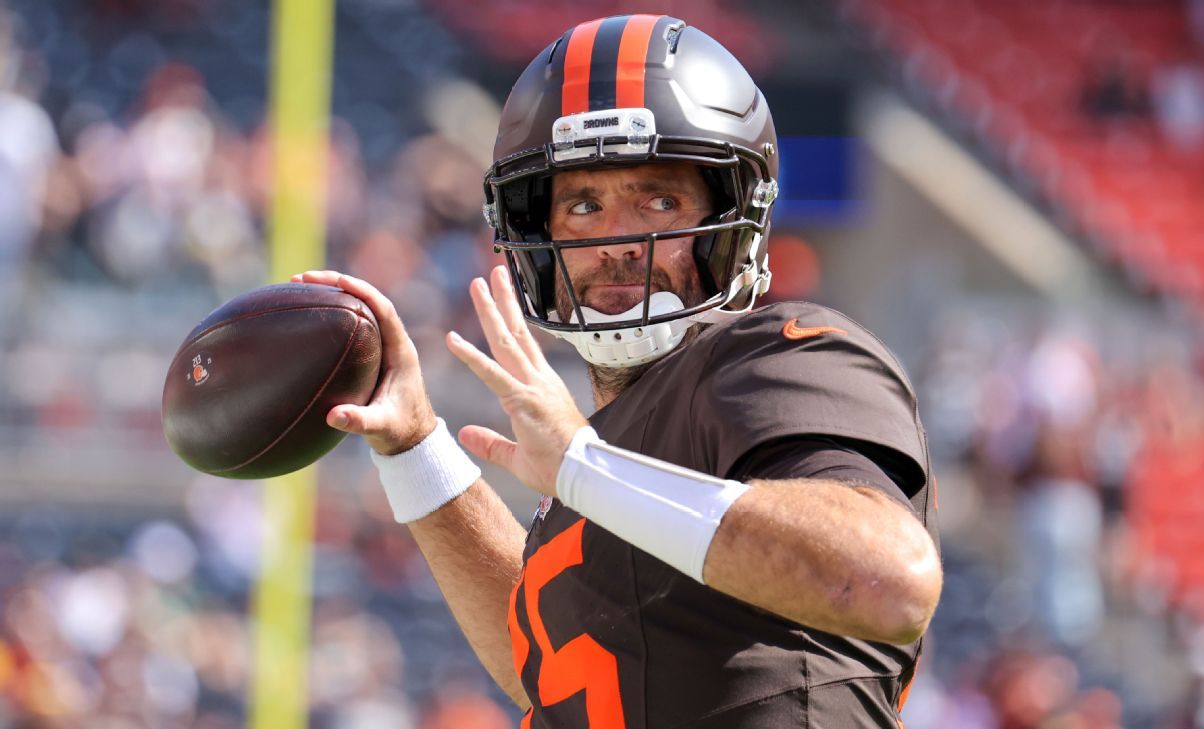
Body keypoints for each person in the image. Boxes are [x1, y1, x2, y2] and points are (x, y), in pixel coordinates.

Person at [295, 14, 941, 728]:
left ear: (735, 216)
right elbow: (555, 665)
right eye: (583, 205)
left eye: (659, 200)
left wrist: (583, 466)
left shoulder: (778, 355)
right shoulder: (608, 460)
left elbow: (889, 582)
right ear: (534, 233)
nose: (617, 242)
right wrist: (414, 447)